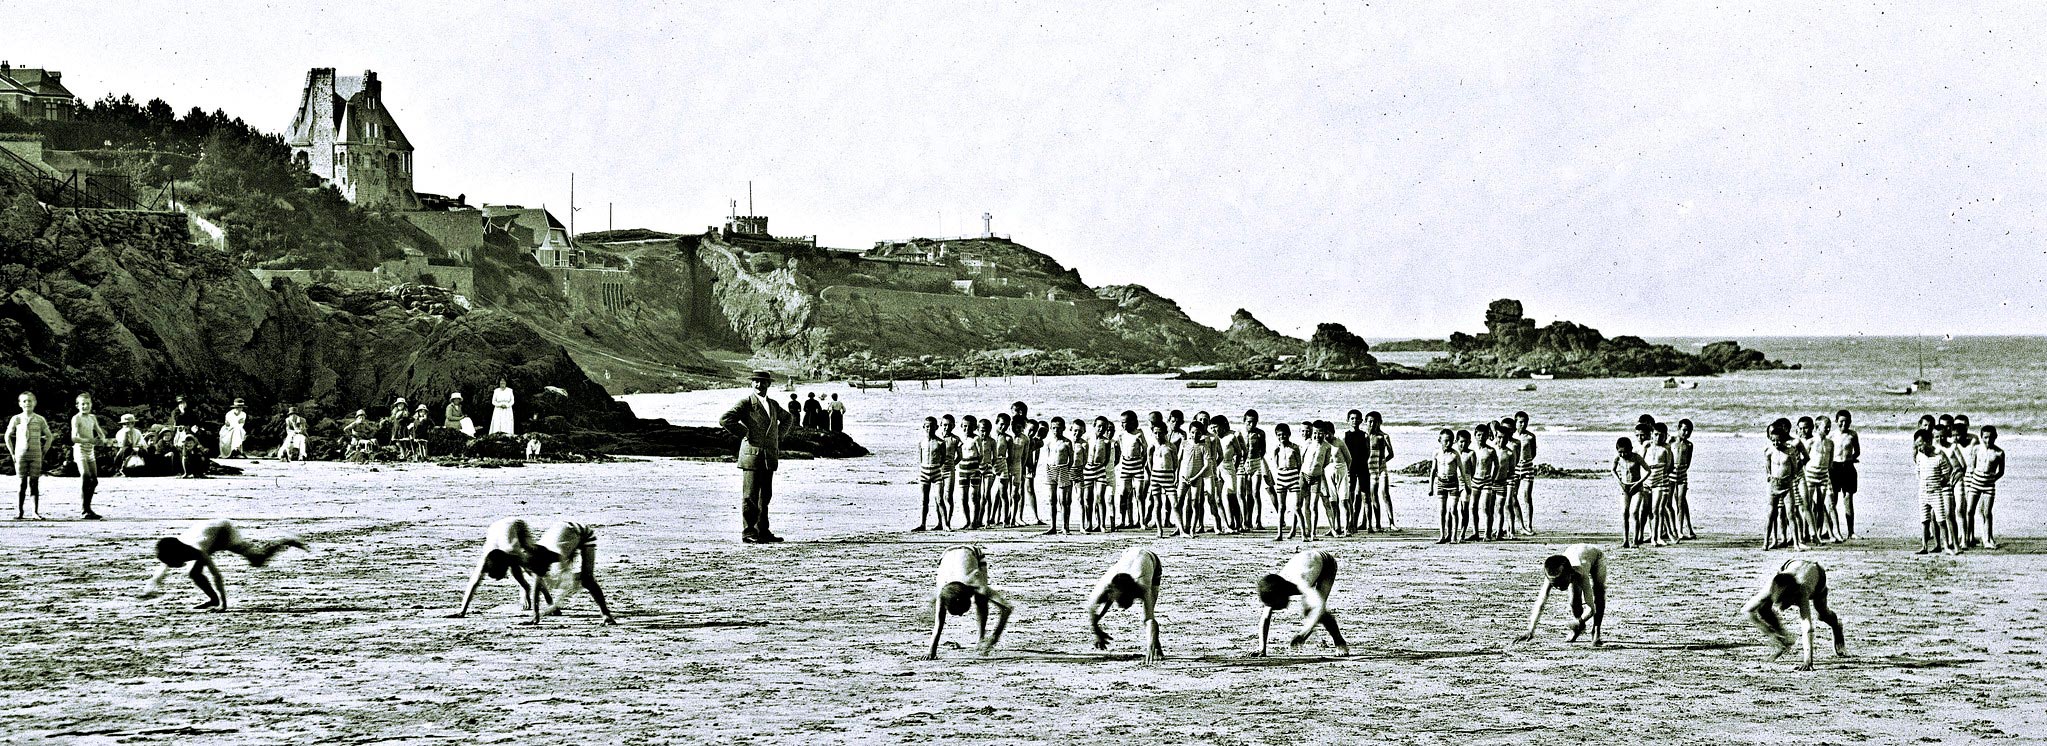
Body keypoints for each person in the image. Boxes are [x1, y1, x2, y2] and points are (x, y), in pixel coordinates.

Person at [453, 517, 616, 625]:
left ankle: (606, 614)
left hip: (581, 533)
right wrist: (538, 613)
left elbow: (539, 580)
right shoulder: (501, 555)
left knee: (586, 579)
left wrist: (550, 604)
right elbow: (536, 581)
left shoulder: (534, 554)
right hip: (558, 533)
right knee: (553, 577)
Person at [140, 518, 307, 611]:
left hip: (223, 531)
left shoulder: (197, 550)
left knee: (258, 561)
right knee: (194, 573)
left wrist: (224, 605)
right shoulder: (177, 548)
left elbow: (216, 575)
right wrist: (150, 587)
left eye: (173, 562)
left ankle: (286, 541)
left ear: (177, 555)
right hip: (207, 531)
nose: (173, 565)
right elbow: (163, 568)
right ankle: (212, 600)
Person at [719, 371, 790, 543]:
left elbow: (788, 418)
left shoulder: (773, 404)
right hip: (751, 456)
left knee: (765, 496)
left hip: (769, 456)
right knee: (750, 496)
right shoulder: (746, 403)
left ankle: (763, 531)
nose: (759, 385)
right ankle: (749, 532)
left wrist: (777, 436)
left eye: (763, 382)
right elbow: (725, 419)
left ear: (769, 385)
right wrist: (745, 433)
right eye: (756, 382)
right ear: (752, 384)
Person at [1742, 559, 1846, 671]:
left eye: (1783, 604)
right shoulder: (1772, 586)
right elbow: (1746, 610)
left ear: (1793, 597)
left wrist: (1808, 661)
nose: (1780, 609)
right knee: (1762, 608)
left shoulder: (1802, 591)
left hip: (1817, 577)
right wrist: (1771, 634)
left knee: (1823, 614)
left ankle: (1836, 626)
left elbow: (1807, 627)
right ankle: (1783, 640)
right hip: (1790, 568)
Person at [1252, 549, 1348, 657]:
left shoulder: (1301, 583)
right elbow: (1265, 618)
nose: (1276, 608)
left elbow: (1319, 606)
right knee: (1311, 613)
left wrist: (1304, 633)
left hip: (1327, 563)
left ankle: (1340, 642)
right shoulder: (1275, 585)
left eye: (1276, 605)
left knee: (1314, 611)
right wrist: (1261, 648)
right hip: (1308, 561)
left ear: (1282, 595)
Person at [927, 545, 1014, 659]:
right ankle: (981, 640)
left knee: (981, 599)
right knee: (980, 596)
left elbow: (1007, 608)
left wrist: (994, 637)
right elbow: (938, 621)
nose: (961, 615)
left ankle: (981, 638)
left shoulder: (975, 582)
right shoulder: (942, 591)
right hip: (947, 556)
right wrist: (931, 650)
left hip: (972, 553)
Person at [1514, 544, 1606, 646]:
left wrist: (1578, 621)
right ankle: (1578, 629)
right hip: (1574, 554)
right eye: (1555, 584)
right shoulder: (1552, 574)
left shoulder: (1580, 573)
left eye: (1561, 582)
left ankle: (1596, 630)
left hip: (1596, 557)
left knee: (1599, 592)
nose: (1558, 587)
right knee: (1574, 601)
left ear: (1570, 575)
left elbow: (1591, 608)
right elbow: (1541, 602)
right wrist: (1530, 629)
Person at [1085, 547, 1164, 663]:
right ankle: (1153, 643)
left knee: (1149, 610)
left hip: (1152, 561)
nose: (1119, 606)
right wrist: (1096, 630)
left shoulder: (1143, 588)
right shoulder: (1106, 585)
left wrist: (1150, 646)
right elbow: (1091, 608)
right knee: (1109, 597)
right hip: (1129, 555)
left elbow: (1149, 619)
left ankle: (1155, 645)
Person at [7, 392, 49, 519]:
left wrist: (44, 451)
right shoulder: (16, 419)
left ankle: (35, 512)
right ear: (20, 404)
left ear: (35, 403)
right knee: (21, 483)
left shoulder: (40, 419)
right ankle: (19, 512)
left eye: (30, 401)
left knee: (34, 483)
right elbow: (7, 435)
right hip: (20, 455)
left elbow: (49, 436)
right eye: (24, 401)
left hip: (36, 454)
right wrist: (12, 453)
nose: (27, 403)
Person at [1913, 429, 1955, 555]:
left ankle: (1946, 546)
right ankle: (1924, 546)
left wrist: (1941, 482)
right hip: (1923, 493)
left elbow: (1948, 471)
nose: (1919, 448)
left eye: (1921, 444)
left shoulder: (1938, 456)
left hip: (1936, 492)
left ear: (1928, 441)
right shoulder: (1919, 456)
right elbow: (1918, 471)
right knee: (1924, 520)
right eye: (1917, 445)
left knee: (1941, 520)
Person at [1765, 424, 1804, 550]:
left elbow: (1795, 466)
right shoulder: (1769, 451)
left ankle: (1796, 544)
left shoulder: (1790, 451)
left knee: (1790, 514)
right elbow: (1767, 466)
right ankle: (1766, 541)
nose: (1776, 443)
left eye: (1779, 440)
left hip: (1787, 485)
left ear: (1783, 439)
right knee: (1771, 514)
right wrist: (1769, 476)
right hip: (1774, 485)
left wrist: (1792, 477)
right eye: (1773, 440)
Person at [70, 393, 107, 520]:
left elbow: (99, 431)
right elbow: (74, 437)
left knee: (94, 480)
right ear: (77, 406)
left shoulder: (92, 417)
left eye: (88, 404)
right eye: (82, 404)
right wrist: (89, 440)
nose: (85, 406)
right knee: (85, 476)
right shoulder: (76, 418)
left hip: (90, 451)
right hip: (80, 450)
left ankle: (88, 508)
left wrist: (102, 438)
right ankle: (83, 509)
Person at [1967, 425, 2005, 549]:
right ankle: (1968, 538)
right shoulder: (1976, 449)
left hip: (1989, 486)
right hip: (1975, 484)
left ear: (1995, 437)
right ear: (1981, 437)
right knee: (1969, 511)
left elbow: (2001, 472)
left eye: (1991, 438)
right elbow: (1971, 466)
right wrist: (1973, 479)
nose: (1988, 440)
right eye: (1985, 438)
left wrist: (1991, 480)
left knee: (1987, 512)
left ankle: (1987, 539)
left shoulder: (1999, 452)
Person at [1801, 416, 1835, 543]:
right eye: (1825, 426)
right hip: (1810, 475)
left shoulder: (1830, 443)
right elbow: (1803, 459)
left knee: (1821, 506)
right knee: (1807, 505)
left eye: (1829, 426)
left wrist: (1825, 472)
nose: (1827, 429)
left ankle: (1818, 534)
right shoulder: (1810, 442)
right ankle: (1805, 533)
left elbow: (1830, 463)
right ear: (1816, 427)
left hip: (1823, 476)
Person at [1114, 411, 1149, 532]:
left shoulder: (1139, 433)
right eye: (1122, 423)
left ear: (1133, 422)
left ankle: (1142, 521)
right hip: (1125, 465)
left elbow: (1145, 449)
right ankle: (1124, 520)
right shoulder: (1121, 435)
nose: (1123, 425)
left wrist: (1142, 462)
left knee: (1139, 494)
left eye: (1126, 422)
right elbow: (1119, 450)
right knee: (1124, 493)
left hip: (1137, 464)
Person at [1269, 423, 1304, 541]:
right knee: (1281, 507)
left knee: (1297, 507)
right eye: (1279, 435)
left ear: (1289, 434)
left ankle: (1303, 534)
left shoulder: (1294, 447)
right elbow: (1276, 464)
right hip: (1281, 477)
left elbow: (1299, 464)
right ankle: (1279, 534)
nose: (1282, 437)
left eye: (1284, 434)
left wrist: (1297, 476)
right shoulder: (1276, 449)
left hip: (1293, 476)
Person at [1829, 410, 1860, 540]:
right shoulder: (1831, 435)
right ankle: (1832, 531)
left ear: (1850, 421)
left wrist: (1851, 459)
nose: (1844, 423)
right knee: (1832, 501)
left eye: (1847, 421)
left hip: (1848, 468)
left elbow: (1857, 451)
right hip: (1834, 468)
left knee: (1848, 500)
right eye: (1841, 421)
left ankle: (1851, 531)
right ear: (1836, 422)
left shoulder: (1853, 434)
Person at [1145, 421, 1180, 538]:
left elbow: (1176, 463)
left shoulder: (1171, 446)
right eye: (1155, 433)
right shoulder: (1152, 446)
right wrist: (1152, 474)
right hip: (1155, 477)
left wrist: (1175, 476)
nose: (1158, 436)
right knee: (1157, 504)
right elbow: (1149, 463)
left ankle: (1181, 529)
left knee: (1174, 503)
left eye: (1160, 433)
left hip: (1168, 476)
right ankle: (1159, 530)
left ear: (1165, 433)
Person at [1363, 412, 1395, 531]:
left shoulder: (1384, 436)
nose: (1372, 424)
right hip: (1368, 469)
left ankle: (1392, 523)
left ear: (1379, 422)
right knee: (1370, 496)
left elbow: (1391, 454)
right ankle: (1372, 523)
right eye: (1370, 421)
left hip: (1381, 469)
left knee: (1385, 494)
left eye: (1375, 422)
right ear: (1365, 422)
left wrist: (1383, 462)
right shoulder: (1364, 436)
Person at [1612, 437, 1646, 547]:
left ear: (1630, 449)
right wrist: (1620, 482)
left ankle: (1635, 541)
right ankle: (1625, 540)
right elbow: (1613, 470)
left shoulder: (1636, 457)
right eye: (1620, 452)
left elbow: (1648, 471)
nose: (1623, 454)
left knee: (1634, 512)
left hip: (1637, 488)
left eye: (1625, 452)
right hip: (1624, 488)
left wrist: (1638, 483)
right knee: (1624, 513)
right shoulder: (1618, 458)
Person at [914, 417, 946, 532]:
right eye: (927, 426)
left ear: (936, 427)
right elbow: (920, 458)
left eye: (932, 426)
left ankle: (944, 524)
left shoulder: (940, 442)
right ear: (924, 427)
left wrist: (936, 467)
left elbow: (943, 458)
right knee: (924, 500)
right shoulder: (921, 442)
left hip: (936, 472)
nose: (929, 429)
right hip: (924, 473)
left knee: (939, 499)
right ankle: (923, 524)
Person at [1045, 417, 1075, 535]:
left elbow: (1071, 459)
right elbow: (1048, 456)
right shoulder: (1050, 443)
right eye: (1053, 428)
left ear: (1063, 428)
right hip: (1051, 469)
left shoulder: (1067, 442)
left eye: (1058, 428)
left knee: (1064, 500)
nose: (1056, 431)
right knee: (1051, 499)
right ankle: (1052, 526)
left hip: (1063, 469)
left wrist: (1067, 469)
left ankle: (1065, 526)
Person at [954, 417, 986, 529]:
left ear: (975, 427)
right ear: (961, 426)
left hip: (974, 471)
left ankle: (974, 521)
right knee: (963, 497)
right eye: (965, 426)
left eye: (970, 426)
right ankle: (967, 521)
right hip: (962, 470)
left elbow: (981, 454)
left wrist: (978, 466)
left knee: (974, 496)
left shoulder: (976, 439)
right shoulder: (960, 438)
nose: (967, 429)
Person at [1083, 416, 1114, 532]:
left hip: (1100, 470)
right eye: (1099, 426)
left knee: (1100, 497)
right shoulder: (1087, 439)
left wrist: (1101, 466)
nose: (1101, 429)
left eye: (1104, 427)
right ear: (1094, 426)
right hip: (1088, 469)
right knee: (1087, 497)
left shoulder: (1106, 441)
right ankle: (1089, 523)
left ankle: (1102, 524)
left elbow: (1107, 458)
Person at [1431, 429, 1460, 544]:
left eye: (1451, 441)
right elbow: (1433, 470)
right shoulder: (1436, 453)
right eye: (1445, 441)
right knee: (1441, 510)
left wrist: (1466, 486)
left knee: (1453, 509)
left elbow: (1461, 471)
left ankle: (1454, 536)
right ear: (1440, 440)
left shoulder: (1455, 454)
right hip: (1441, 483)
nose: (1448, 443)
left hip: (1453, 483)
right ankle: (1442, 535)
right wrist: (1430, 487)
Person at [1671, 419, 1697, 539]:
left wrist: (1682, 470)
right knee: (1667, 502)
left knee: (1680, 502)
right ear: (1678, 429)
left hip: (1682, 475)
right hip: (1670, 475)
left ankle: (1680, 530)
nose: (1686, 433)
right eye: (1684, 430)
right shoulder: (1670, 441)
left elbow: (1688, 462)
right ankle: (1670, 529)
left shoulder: (1689, 445)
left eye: (1689, 431)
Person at [1512, 411, 1538, 535]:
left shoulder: (1530, 436)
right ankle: (1518, 524)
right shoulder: (1512, 436)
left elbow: (1533, 453)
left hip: (1527, 467)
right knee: (1513, 495)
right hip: (1515, 468)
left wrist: (1526, 461)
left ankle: (1529, 524)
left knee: (1527, 496)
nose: (1523, 424)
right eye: (1520, 422)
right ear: (1515, 422)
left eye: (1525, 422)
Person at [170, 395, 206, 478]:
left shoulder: (190, 412)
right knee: (182, 447)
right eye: (180, 403)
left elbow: (196, 421)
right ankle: (183, 470)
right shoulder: (175, 412)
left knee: (199, 438)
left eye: (183, 402)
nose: (182, 404)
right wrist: (182, 413)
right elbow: (176, 422)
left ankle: (198, 469)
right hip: (180, 432)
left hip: (190, 431)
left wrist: (197, 426)